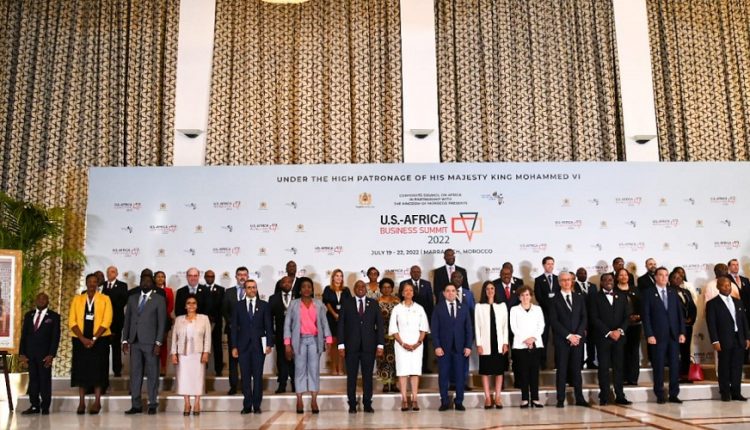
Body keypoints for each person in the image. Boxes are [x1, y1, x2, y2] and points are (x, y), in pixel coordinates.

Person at [284, 277, 332, 414]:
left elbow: (324, 322)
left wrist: (328, 339)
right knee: (299, 370)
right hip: (298, 341)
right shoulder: (293, 304)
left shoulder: (319, 304)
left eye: (309, 287)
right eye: (304, 286)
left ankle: (314, 400)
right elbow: (287, 325)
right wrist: (287, 344)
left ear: (312, 289)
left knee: (314, 370)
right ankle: (299, 400)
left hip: (314, 341)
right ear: (299, 290)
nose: (306, 289)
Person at [123, 269, 167, 415]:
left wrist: (158, 342)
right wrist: (125, 339)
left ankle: (152, 403)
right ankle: (136, 404)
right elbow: (127, 320)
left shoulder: (159, 299)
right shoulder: (132, 298)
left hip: (151, 343)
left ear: (152, 283)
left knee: (153, 373)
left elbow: (162, 323)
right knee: (135, 374)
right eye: (143, 281)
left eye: (148, 281)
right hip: (134, 341)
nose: (145, 283)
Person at [338, 280, 385, 413]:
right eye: (358, 286)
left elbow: (380, 325)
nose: (360, 288)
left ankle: (367, 403)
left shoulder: (373, 303)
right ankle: (352, 404)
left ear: (366, 289)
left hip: (369, 347)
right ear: (354, 289)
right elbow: (341, 324)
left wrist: (380, 344)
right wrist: (341, 345)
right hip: (350, 347)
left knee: (368, 377)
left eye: (363, 286)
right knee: (351, 377)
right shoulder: (347, 303)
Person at [69, 273, 113, 414]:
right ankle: (81, 402)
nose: (92, 284)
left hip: (100, 340)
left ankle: (97, 402)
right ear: (86, 283)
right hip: (80, 340)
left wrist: (94, 338)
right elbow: (72, 321)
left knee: (98, 370)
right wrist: (82, 338)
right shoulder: (77, 299)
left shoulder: (105, 299)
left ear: (98, 284)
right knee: (81, 370)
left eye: (95, 281)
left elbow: (107, 320)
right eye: (90, 281)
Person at [642, 267, 686, 404]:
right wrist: (649, 334)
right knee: (659, 365)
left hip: (673, 335)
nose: (664, 277)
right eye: (661, 275)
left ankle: (674, 394)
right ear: (655, 277)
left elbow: (679, 314)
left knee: (675, 366)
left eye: (666, 275)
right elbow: (646, 316)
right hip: (657, 336)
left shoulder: (673, 292)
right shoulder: (648, 293)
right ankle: (660, 394)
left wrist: (682, 332)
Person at [588, 273, 631, 405]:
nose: (608, 282)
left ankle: (620, 396)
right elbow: (594, 318)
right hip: (603, 338)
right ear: (601, 283)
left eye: (610, 279)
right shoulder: (594, 297)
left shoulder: (622, 296)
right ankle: (604, 396)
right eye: (605, 280)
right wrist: (608, 332)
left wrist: (619, 331)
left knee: (619, 367)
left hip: (619, 338)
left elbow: (627, 316)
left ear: (614, 281)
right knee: (604, 368)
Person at [232, 279, 274, 414]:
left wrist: (269, 344)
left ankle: (256, 405)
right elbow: (234, 328)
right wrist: (234, 346)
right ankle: (247, 405)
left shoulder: (264, 305)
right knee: (245, 377)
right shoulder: (238, 306)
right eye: (249, 287)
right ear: (245, 289)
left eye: (254, 287)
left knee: (257, 376)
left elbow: (268, 326)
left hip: (258, 346)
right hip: (242, 346)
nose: (252, 290)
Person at [706, 277, 750, 401]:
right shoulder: (712, 304)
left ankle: (736, 392)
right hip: (723, 340)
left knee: (737, 367)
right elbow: (711, 324)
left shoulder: (738, 302)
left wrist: (747, 337)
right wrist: (715, 341)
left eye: (729, 285)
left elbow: (744, 321)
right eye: (724, 285)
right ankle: (725, 393)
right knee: (724, 367)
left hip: (739, 339)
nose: (727, 287)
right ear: (718, 287)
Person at [549, 272, 589, 408]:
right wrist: (568, 336)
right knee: (562, 370)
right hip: (562, 340)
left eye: (569, 280)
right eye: (563, 280)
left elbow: (584, 317)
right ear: (559, 282)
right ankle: (560, 399)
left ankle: (579, 398)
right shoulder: (554, 299)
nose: (566, 282)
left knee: (577, 370)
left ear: (572, 281)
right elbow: (554, 321)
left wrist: (577, 335)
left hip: (577, 340)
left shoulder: (579, 297)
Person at [432, 283, 473, 411]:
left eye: (453, 291)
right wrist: (437, 346)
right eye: (448, 291)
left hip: (460, 348)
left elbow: (468, 329)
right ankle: (444, 401)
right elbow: (434, 329)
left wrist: (468, 346)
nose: (450, 293)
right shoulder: (438, 308)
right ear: (444, 293)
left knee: (460, 376)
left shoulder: (464, 308)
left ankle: (459, 401)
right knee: (443, 375)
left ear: (456, 293)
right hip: (443, 349)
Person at [389, 283, 429, 411]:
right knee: (402, 372)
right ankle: (404, 400)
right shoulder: (397, 309)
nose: (408, 292)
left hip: (417, 345)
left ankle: (415, 399)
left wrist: (417, 343)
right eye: (406, 290)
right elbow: (393, 329)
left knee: (414, 371)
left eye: (410, 290)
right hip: (401, 345)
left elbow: (424, 328)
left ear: (413, 293)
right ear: (402, 293)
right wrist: (402, 343)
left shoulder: (419, 308)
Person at [19, 292, 60, 415]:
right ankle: (34, 405)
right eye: (39, 299)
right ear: (36, 301)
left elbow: (55, 337)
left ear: (48, 301)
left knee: (44, 380)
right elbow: (24, 336)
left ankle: (45, 406)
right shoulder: (29, 315)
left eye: (44, 299)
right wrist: (22, 353)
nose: (41, 301)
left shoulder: (54, 316)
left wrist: (51, 354)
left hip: (45, 355)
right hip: (30, 354)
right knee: (33, 380)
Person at [171, 295, 212, 415]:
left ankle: (197, 403)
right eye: (189, 303)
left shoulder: (204, 319)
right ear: (185, 306)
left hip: (198, 353)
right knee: (184, 378)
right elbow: (174, 338)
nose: (191, 305)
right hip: (183, 354)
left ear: (197, 305)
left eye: (194, 303)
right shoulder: (179, 319)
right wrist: (174, 353)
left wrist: (206, 352)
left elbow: (207, 338)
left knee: (198, 378)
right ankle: (187, 403)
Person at [474, 281, 509, 409]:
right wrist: (478, 344)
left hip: (499, 343)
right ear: (484, 291)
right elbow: (477, 326)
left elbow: (505, 326)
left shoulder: (502, 306)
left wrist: (505, 343)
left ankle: (498, 397)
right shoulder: (479, 307)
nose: (490, 291)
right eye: (487, 288)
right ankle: (488, 398)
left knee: (499, 371)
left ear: (495, 290)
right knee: (485, 371)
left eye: (492, 288)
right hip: (485, 344)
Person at [510, 286, 544, 408]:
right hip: (520, 345)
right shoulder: (514, 310)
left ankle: (535, 398)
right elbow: (514, 327)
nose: (525, 297)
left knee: (534, 373)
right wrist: (525, 340)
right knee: (523, 373)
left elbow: (541, 326)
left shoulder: (537, 309)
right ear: (519, 297)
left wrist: (533, 339)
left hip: (536, 344)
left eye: (527, 295)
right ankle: (525, 399)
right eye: (522, 295)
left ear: (531, 296)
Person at [398, 265, 434, 373]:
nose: (416, 273)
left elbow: (430, 304)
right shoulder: (404, 283)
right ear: (410, 273)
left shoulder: (427, 284)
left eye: (418, 271)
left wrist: (429, 321)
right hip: (407, 320)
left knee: (423, 343)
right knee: (408, 342)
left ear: (420, 273)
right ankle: (408, 367)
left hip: (422, 320)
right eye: (414, 271)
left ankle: (424, 367)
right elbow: (401, 301)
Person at [222, 266, 249, 395]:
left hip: (247, 332)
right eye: (240, 275)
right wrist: (233, 323)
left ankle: (245, 386)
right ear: (236, 277)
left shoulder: (252, 290)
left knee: (246, 360)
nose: (242, 277)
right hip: (233, 331)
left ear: (247, 276)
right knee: (233, 360)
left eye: (244, 274)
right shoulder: (229, 292)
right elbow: (224, 310)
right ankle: (233, 386)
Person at [615, 267, 642, 385]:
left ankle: (633, 377)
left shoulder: (635, 290)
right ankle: (623, 377)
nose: (624, 277)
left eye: (625, 275)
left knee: (634, 351)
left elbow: (642, 306)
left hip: (635, 325)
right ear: (617, 277)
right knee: (622, 351)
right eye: (621, 275)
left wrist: (639, 316)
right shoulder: (614, 291)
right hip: (620, 326)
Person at [269, 276, 295, 393]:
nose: (287, 284)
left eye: (289, 282)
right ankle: (282, 384)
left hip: (295, 334)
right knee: (281, 360)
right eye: (284, 282)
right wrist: (271, 334)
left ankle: (295, 384)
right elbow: (269, 318)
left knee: (295, 360)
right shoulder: (273, 298)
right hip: (280, 334)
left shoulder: (297, 297)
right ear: (280, 285)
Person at [322, 269, 350, 375]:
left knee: (342, 344)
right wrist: (334, 314)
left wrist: (341, 316)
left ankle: (341, 368)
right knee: (333, 344)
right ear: (333, 277)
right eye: (336, 275)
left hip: (344, 320)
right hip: (331, 319)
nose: (339, 278)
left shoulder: (346, 290)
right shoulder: (328, 289)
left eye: (341, 276)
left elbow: (349, 304)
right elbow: (327, 303)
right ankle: (334, 367)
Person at [670, 270, 697, 382]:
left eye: (680, 277)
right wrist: (680, 321)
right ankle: (676, 375)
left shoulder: (686, 291)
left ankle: (685, 375)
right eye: (675, 277)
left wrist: (691, 319)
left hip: (687, 326)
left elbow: (692, 307)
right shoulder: (668, 292)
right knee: (676, 352)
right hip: (675, 327)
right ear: (670, 280)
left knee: (686, 351)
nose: (678, 279)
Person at [101, 265, 127, 377]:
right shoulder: (102, 286)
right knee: (103, 347)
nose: (109, 274)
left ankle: (117, 370)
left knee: (116, 347)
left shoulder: (122, 285)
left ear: (116, 274)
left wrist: (109, 305)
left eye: (112, 272)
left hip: (116, 321)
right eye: (108, 272)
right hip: (103, 322)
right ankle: (103, 370)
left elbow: (123, 301)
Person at [534, 256, 559, 369]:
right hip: (544, 313)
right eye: (548, 264)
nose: (550, 266)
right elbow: (539, 297)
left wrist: (555, 307)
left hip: (557, 313)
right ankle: (542, 363)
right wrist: (549, 306)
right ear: (544, 265)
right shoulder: (538, 280)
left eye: (552, 264)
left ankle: (558, 363)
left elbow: (560, 295)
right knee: (543, 338)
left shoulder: (558, 279)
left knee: (558, 338)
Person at [377, 278, 400, 392]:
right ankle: (386, 384)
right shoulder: (376, 302)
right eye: (384, 287)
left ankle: (394, 383)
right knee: (383, 360)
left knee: (395, 359)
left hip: (396, 336)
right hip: (381, 335)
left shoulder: (398, 301)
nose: (386, 289)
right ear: (380, 289)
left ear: (392, 289)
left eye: (389, 287)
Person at [576, 267, 597, 369]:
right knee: (580, 341)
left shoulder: (592, 286)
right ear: (577, 275)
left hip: (592, 319)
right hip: (579, 319)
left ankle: (591, 361)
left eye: (584, 273)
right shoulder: (573, 286)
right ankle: (579, 362)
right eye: (580, 273)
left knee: (591, 341)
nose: (583, 275)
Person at [204, 269, 225, 376]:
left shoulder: (221, 289)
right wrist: (206, 316)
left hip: (216, 322)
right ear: (204, 277)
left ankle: (219, 370)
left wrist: (214, 317)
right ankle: (203, 368)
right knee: (203, 346)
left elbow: (223, 306)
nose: (210, 278)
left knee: (217, 347)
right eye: (208, 276)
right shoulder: (201, 289)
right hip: (203, 322)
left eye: (212, 276)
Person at [154, 271, 174, 376]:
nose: (160, 278)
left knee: (163, 344)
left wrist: (162, 316)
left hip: (165, 320)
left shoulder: (168, 291)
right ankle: (153, 367)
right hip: (152, 321)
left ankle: (163, 367)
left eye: (162, 277)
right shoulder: (151, 290)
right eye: (158, 276)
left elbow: (170, 306)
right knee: (152, 344)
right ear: (154, 278)